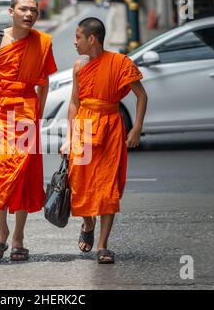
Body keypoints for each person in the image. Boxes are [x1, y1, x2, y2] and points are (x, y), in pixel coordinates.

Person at [0, 0, 58, 261]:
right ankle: (1, 232)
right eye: (23, 9)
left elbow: (43, 84)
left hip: (26, 112)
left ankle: (19, 236)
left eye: (33, 10)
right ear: (11, 11)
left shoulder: (42, 42)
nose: (29, 14)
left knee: (22, 176)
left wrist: (39, 117)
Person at [60, 17, 147, 264]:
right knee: (80, 183)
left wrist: (137, 128)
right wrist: (68, 137)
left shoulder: (120, 63)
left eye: (78, 37)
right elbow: (74, 103)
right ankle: (88, 224)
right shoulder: (79, 67)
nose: (75, 42)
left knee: (107, 189)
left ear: (91, 39)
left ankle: (103, 244)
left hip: (110, 128)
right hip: (84, 127)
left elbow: (141, 95)